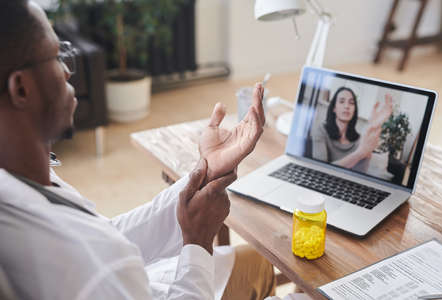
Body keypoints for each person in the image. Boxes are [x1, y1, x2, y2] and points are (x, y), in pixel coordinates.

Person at [0, 1, 276, 299]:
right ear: (21, 89)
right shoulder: (79, 262)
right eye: (56, 56)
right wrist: (198, 243)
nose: (67, 71)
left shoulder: (19, 182)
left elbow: (109, 238)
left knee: (258, 261)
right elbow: (105, 256)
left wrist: (204, 171)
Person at [312, 86, 393, 173]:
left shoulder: (359, 141)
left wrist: (374, 126)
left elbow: (359, 175)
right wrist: (360, 153)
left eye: (351, 103)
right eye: (342, 101)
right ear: (334, 108)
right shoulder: (321, 131)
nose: (347, 106)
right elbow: (320, 170)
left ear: (354, 110)